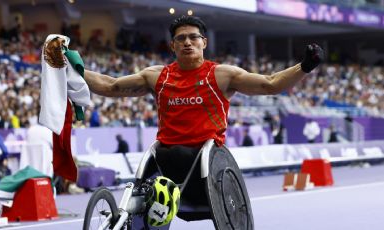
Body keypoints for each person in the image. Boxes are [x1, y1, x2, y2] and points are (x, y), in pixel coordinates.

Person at [46, 15, 323, 227]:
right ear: (173, 45)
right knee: (136, 200)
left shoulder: (222, 75)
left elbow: (270, 83)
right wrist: (70, 66)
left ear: (204, 42)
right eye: (181, 39)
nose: (187, 42)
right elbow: (110, 85)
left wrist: (305, 66)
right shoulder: (158, 76)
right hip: (165, 156)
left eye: (193, 37)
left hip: (204, 158)